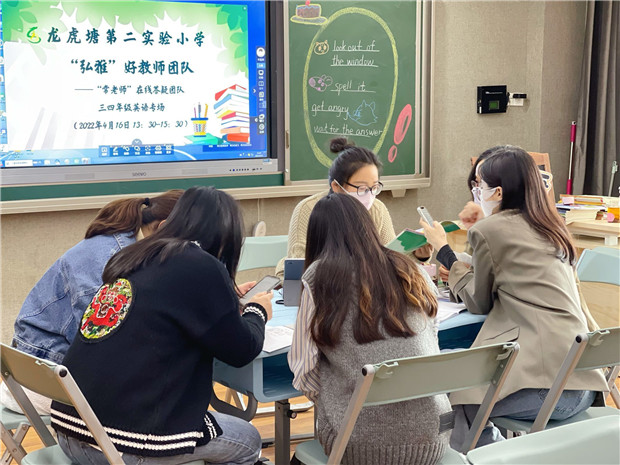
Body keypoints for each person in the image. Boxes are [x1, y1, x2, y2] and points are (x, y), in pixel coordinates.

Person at [51, 186, 271, 465]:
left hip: (71, 429)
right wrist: (257, 310)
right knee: (248, 440)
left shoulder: (135, 254)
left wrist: (227, 301)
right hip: (123, 445)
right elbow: (242, 350)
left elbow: (167, 311)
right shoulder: (200, 263)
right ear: (226, 233)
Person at [420, 146, 608, 449]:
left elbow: (478, 301)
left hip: (546, 391)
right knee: (476, 392)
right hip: (585, 383)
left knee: (461, 402)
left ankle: (498, 457)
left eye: (479, 186)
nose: (476, 193)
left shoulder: (490, 229)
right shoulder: (551, 225)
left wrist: (443, 251)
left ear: (497, 192)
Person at [289, 193, 452, 465]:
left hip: (358, 446)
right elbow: (430, 338)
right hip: (433, 439)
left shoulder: (318, 278)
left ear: (316, 237)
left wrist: (335, 397)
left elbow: (303, 370)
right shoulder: (412, 269)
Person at [2, 190, 184, 414]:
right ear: (163, 227)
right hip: (41, 382)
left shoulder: (127, 245)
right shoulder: (109, 261)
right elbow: (101, 347)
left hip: (46, 368)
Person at [276, 137, 435, 285]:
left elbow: (392, 256)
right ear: (336, 186)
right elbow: (300, 265)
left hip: (368, 292)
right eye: (361, 188)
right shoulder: (310, 209)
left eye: (374, 187)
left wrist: (419, 255)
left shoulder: (377, 209)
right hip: (323, 290)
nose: (369, 194)